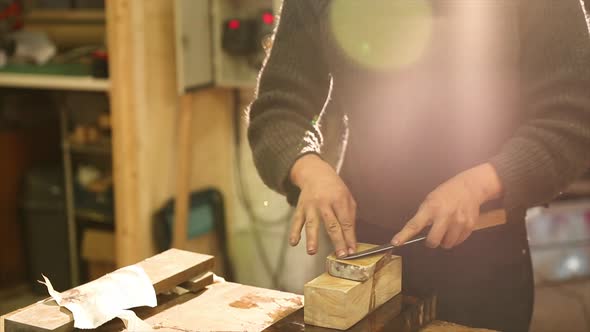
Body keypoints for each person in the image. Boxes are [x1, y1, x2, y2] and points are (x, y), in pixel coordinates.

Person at [247, 1, 590, 331]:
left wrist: (479, 185)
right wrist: (307, 166)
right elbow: (279, 110)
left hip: (487, 255)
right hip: (365, 250)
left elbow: (571, 119)